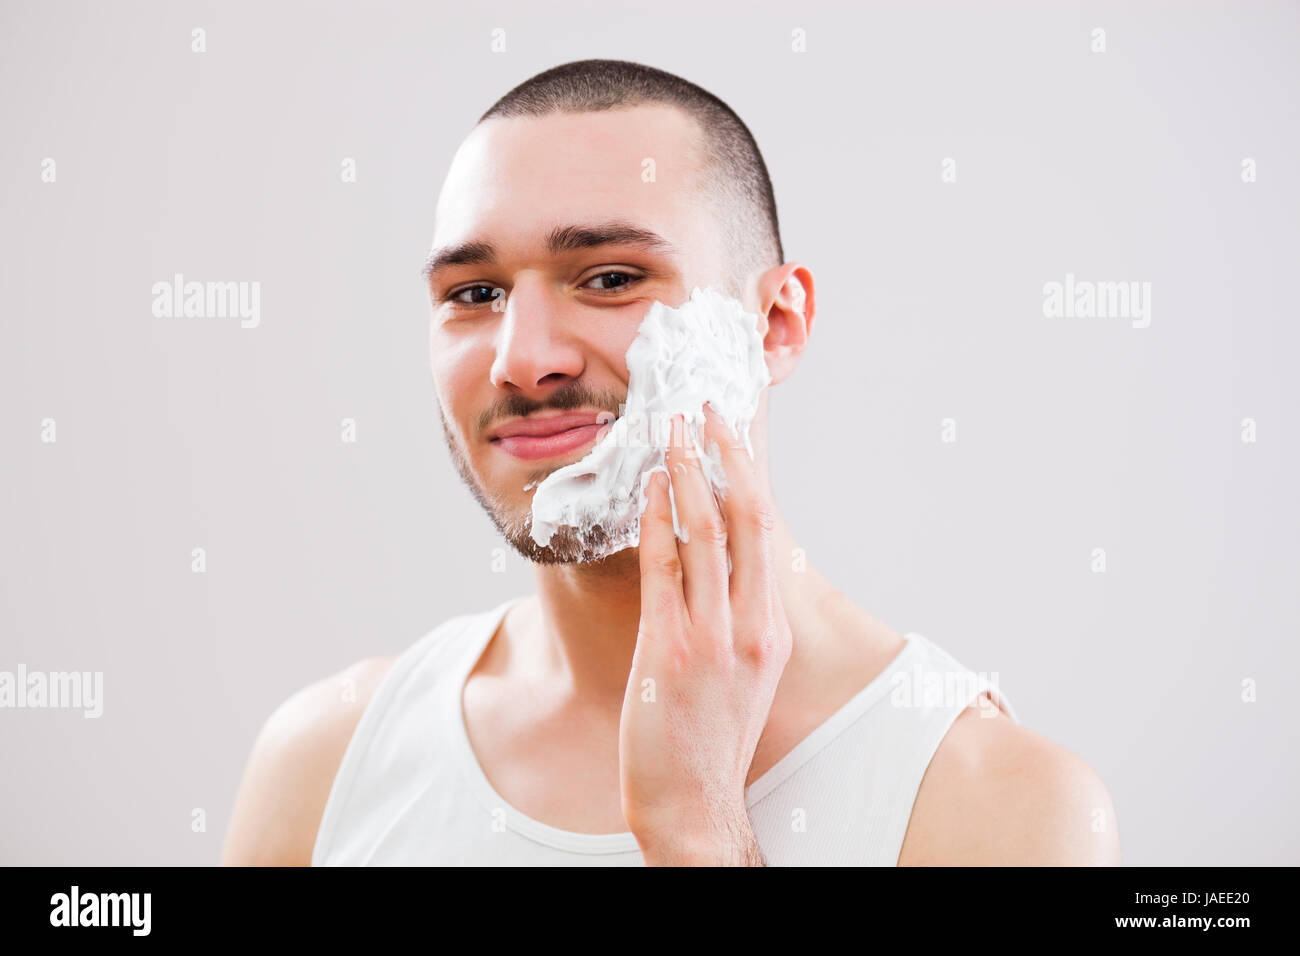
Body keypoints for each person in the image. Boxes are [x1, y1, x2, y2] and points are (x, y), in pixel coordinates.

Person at [222, 59, 1121, 866]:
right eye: (476, 293)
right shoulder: (326, 762)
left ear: (775, 326)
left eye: (609, 278)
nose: (522, 359)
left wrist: (699, 831)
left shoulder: (996, 806)